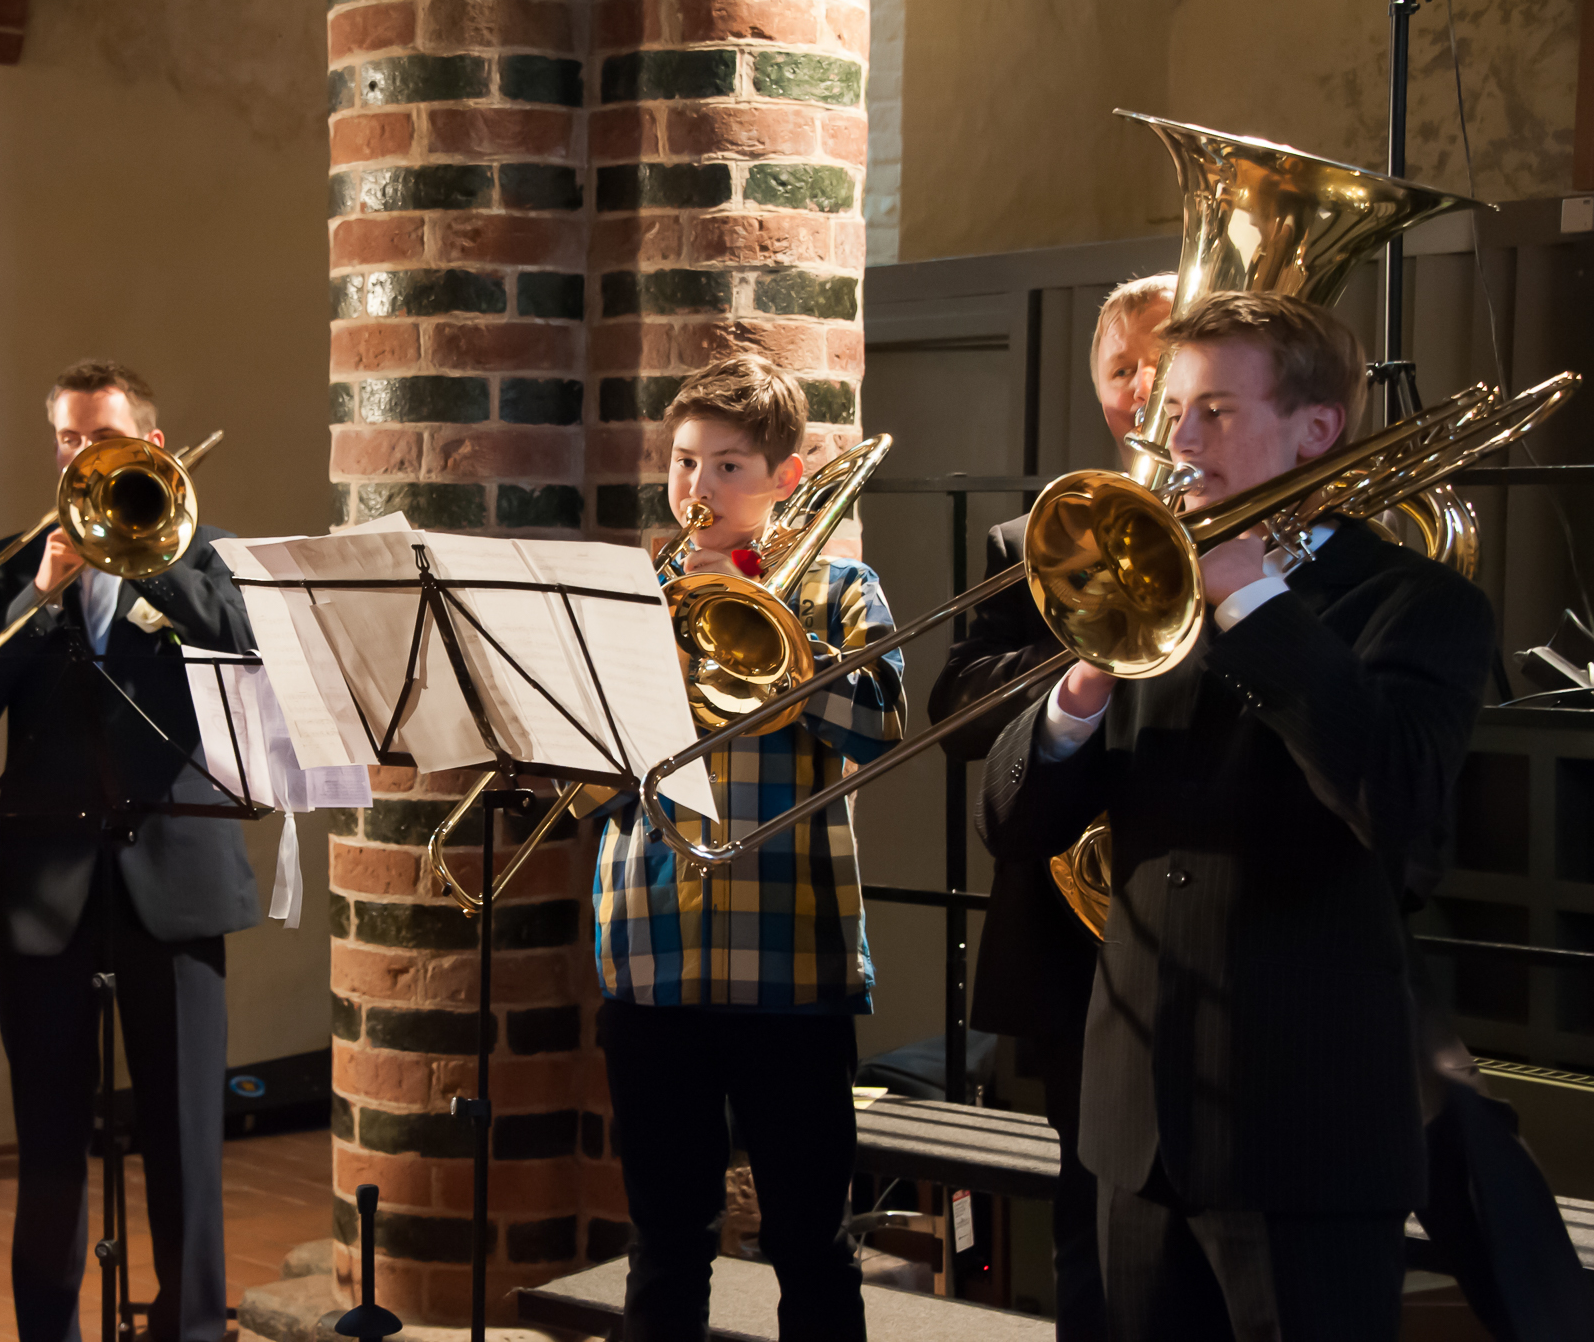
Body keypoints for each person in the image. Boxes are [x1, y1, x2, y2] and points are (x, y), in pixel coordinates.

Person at [979, 292, 1496, 1340]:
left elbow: (1393, 807)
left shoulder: (1418, 605)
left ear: (1314, 430)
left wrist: (1252, 601)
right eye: (1170, 409)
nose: (1173, 438)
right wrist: (1076, 691)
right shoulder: (1143, 601)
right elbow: (1010, 821)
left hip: (1301, 1135)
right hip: (1131, 1132)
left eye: (1212, 409)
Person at [0, 362, 258, 1342]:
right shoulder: (12, 559)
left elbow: (244, 647)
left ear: (149, 448)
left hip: (177, 879)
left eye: (99, 437)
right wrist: (38, 596)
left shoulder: (209, 554)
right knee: (49, 1138)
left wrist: (150, 557)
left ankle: (192, 1327)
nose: (80, 455)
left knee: (186, 1136)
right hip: (46, 886)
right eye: (67, 439)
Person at [591, 354, 905, 1342]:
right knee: (664, 1236)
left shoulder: (840, 588)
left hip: (788, 962)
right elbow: (592, 768)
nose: (697, 488)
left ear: (785, 475)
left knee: (809, 1239)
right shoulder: (629, 592)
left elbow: (880, 726)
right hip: (651, 959)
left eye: (727, 466)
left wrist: (775, 640)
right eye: (683, 463)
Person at [927, 271, 1172, 1341]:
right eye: (1120, 367)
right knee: (1087, 1211)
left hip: (1214, 915)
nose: (1142, 383)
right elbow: (955, 705)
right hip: (1078, 934)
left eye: (1165, 358)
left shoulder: (1260, 533)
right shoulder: (1032, 539)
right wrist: (1091, 641)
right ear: (1097, 392)